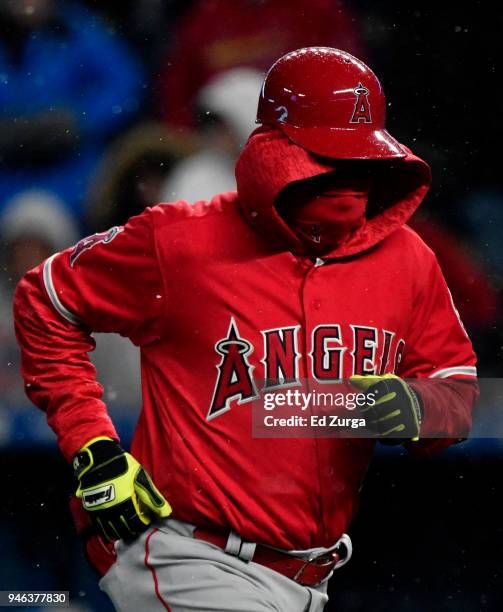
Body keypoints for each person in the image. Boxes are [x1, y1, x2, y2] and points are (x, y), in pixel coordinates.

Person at [14, 48, 478, 611]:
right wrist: (90, 441)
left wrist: (417, 407)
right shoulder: (181, 240)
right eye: (330, 158)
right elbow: (46, 297)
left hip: (311, 574)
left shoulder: (407, 259)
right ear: (276, 152)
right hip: (186, 552)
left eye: (361, 160)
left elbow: (455, 389)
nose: (349, 179)